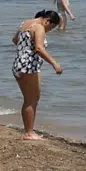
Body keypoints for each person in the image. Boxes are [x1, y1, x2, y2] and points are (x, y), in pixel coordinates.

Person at [12, 10, 63, 141]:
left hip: (19, 64)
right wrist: (54, 63)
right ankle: (29, 133)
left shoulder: (26, 23)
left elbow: (15, 40)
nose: (49, 31)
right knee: (31, 100)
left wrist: (26, 49)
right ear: (47, 21)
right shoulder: (39, 27)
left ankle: (29, 130)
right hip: (28, 66)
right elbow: (39, 48)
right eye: (51, 27)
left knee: (31, 98)